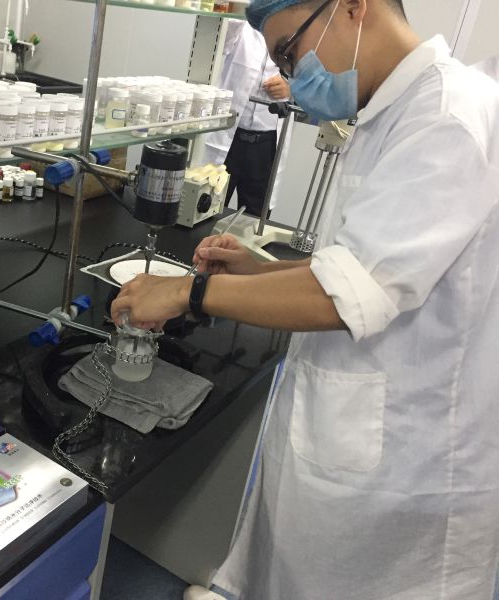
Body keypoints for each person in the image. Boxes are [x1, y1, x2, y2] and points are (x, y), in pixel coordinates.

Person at [111, 0, 499, 598]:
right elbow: (360, 265)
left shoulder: (443, 117)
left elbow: (345, 296)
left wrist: (190, 292)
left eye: (289, 52)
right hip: (368, 426)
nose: (292, 78)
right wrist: (258, 271)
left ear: (352, 7)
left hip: (410, 456)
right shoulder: (393, 109)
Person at [204, 20, 292, 218]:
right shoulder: (241, 27)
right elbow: (220, 39)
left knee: (255, 217)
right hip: (229, 139)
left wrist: (291, 87)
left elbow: (312, 74)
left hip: (265, 145)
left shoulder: (296, 32)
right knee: (208, 207)